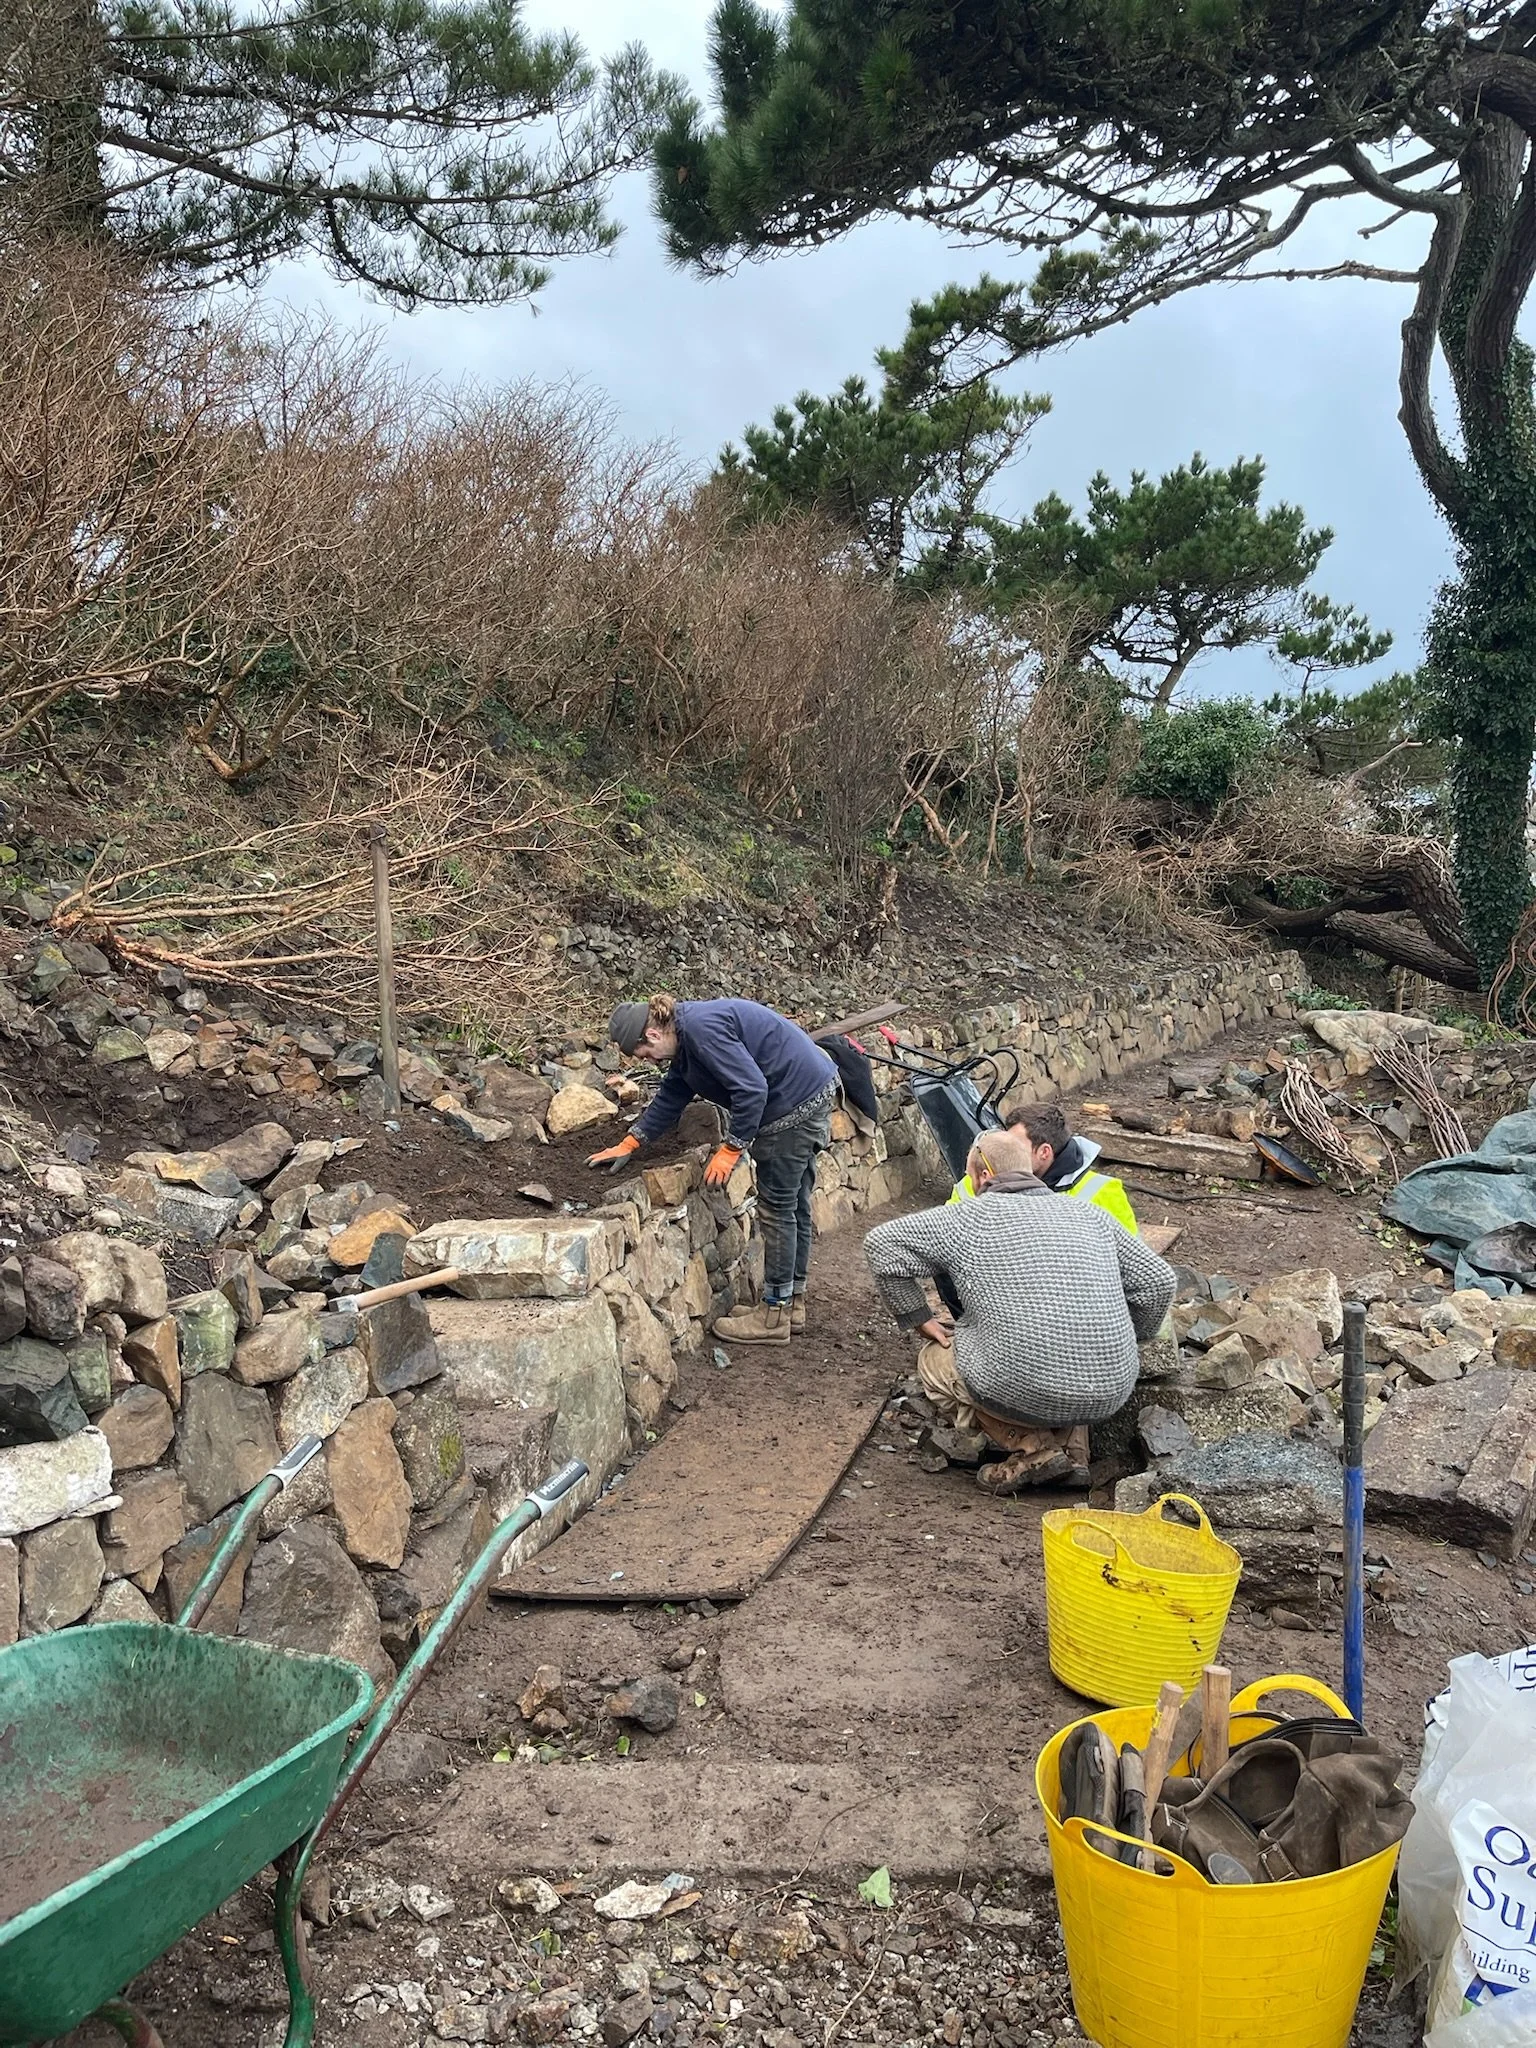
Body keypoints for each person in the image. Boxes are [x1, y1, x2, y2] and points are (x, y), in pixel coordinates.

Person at [865, 1128, 1175, 1493]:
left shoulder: (967, 1219)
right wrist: (1125, 1336)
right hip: (1110, 1387)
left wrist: (919, 1318)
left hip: (1023, 1382)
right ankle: (1075, 1456)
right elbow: (1160, 1281)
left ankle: (1034, 1448)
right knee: (1065, 1341)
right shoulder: (1089, 1214)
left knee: (933, 1362)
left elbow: (880, 1246)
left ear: (984, 1175)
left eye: (969, 1174)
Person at [588, 994, 838, 1345]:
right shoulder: (688, 1038)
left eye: (643, 1053)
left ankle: (773, 1316)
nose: (647, 1061)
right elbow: (673, 1093)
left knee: (778, 1209)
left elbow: (752, 1088)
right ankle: (790, 1303)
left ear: (653, 1035)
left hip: (793, 1106)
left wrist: (732, 1147)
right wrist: (632, 1141)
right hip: (808, 1092)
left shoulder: (702, 1030)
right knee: (793, 1205)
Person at [947, 1101, 1137, 1231]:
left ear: (1044, 1152)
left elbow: (1132, 1264)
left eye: (1017, 1145)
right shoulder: (978, 1179)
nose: (1007, 1149)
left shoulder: (1102, 1193)